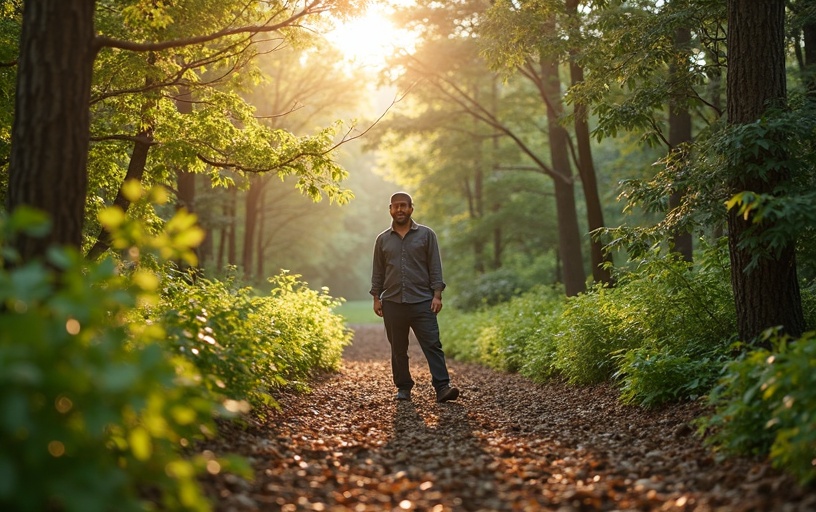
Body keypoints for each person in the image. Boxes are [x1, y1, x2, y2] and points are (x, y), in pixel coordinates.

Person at [370, 191, 460, 403]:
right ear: (390, 210)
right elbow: (378, 272)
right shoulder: (382, 240)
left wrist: (437, 295)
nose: (399, 209)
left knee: (432, 345)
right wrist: (376, 297)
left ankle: (442, 387)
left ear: (411, 208)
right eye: (395, 206)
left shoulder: (427, 235)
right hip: (392, 302)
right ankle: (403, 389)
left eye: (404, 205)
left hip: (422, 301)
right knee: (398, 349)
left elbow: (435, 267)